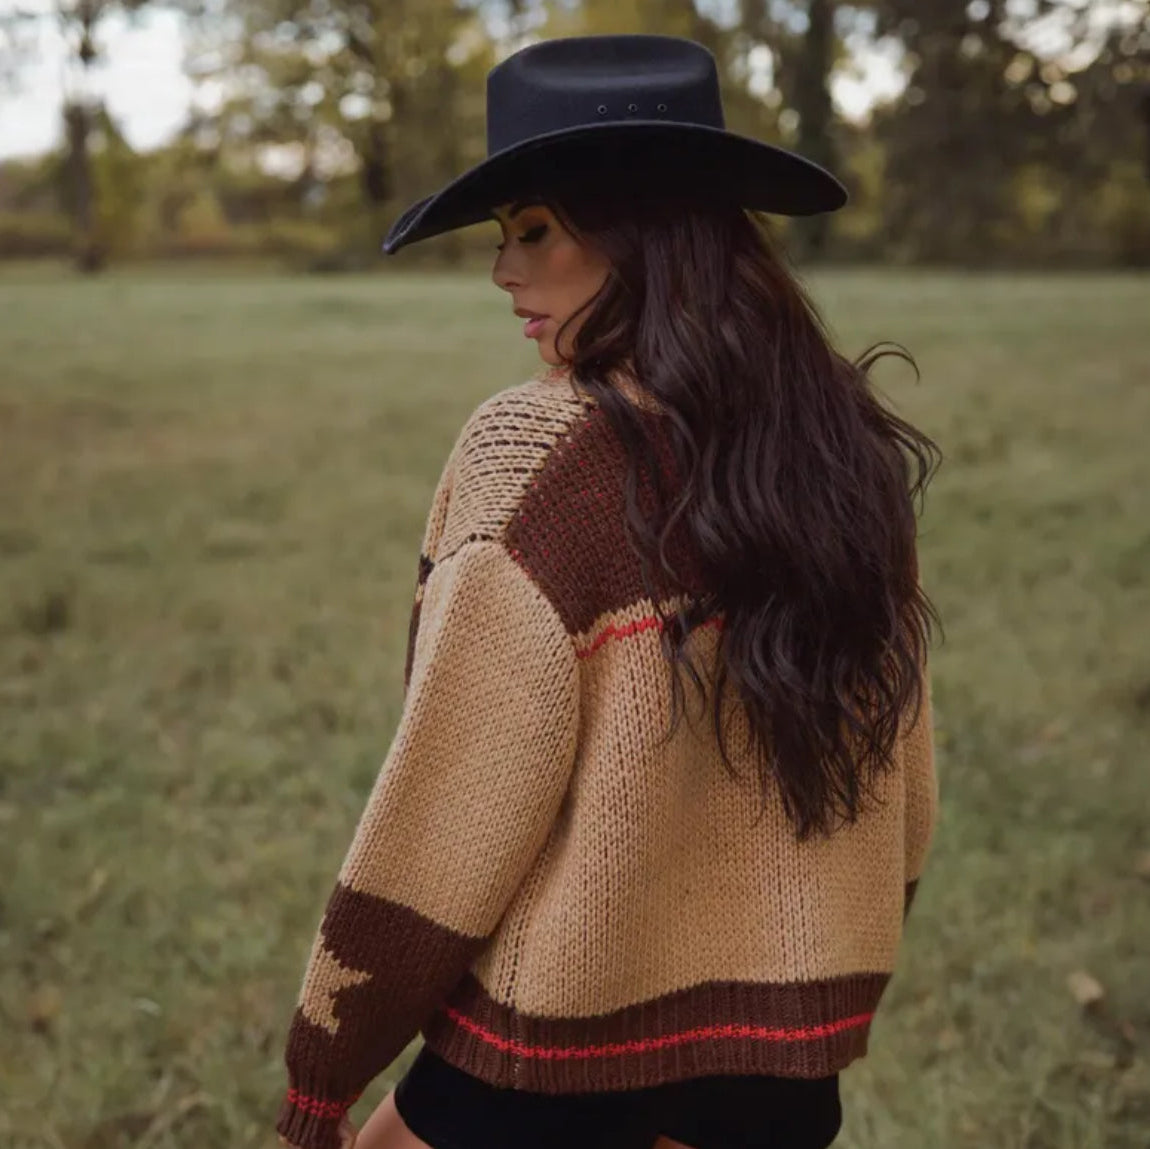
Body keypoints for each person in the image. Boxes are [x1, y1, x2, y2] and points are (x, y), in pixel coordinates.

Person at [275, 33, 940, 1149]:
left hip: (552, 1056)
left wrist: (321, 1078)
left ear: (643, 232)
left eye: (533, 229)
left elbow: (449, 806)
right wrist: (821, 950)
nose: (503, 272)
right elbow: (902, 777)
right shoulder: (840, 447)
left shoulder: (535, 452)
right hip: (786, 1063)